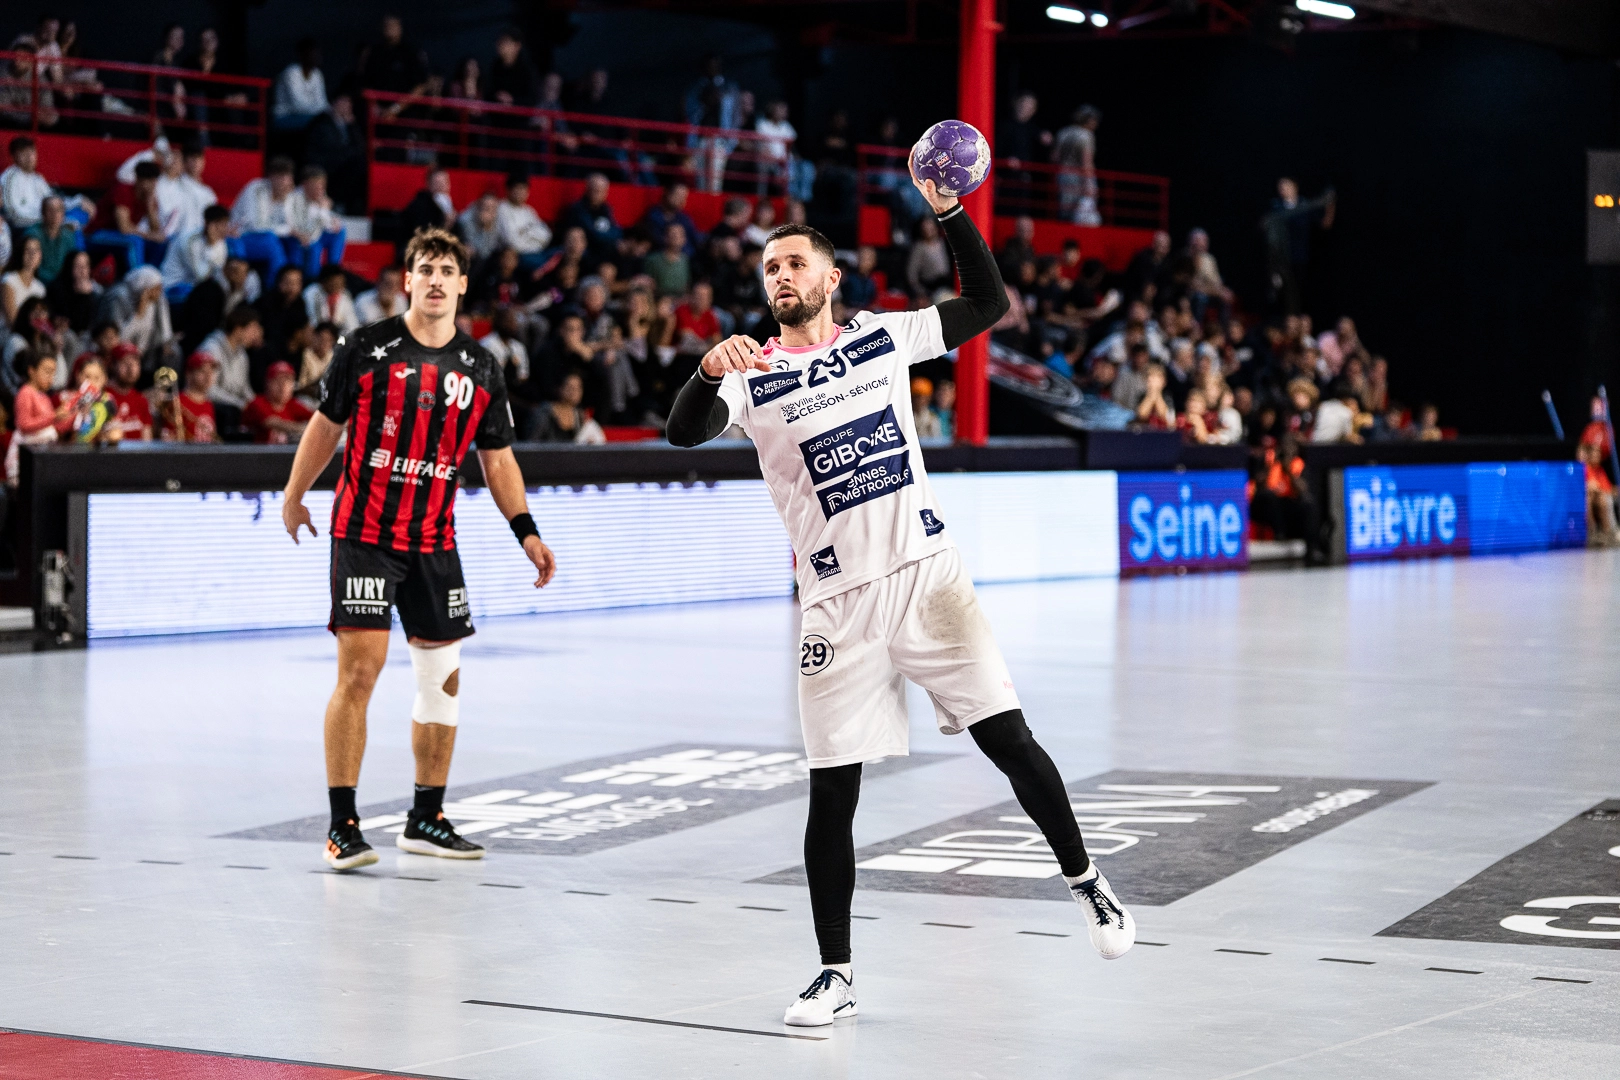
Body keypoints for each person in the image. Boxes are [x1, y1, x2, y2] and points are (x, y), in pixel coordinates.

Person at [664, 164, 1134, 1028]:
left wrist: (950, 212)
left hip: (928, 579)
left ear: (831, 278)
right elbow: (680, 431)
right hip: (835, 605)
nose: (781, 278)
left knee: (1010, 741)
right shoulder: (750, 370)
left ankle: (1086, 881)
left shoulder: (880, 336)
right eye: (770, 268)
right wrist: (701, 372)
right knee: (831, 792)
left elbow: (988, 306)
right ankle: (835, 973)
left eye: (796, 264)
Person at [279, 226, 557, 872]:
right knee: (360, 673)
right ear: (407, 280)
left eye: (446, 271)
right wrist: (294, 495)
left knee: (442, 680)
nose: (434, 280)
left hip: (435, 539)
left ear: (463, 285)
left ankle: (425, 817)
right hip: (366, 534)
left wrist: (528, 533)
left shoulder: (482, 367)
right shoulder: (365, 347)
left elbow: (499, 461)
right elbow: (325, 429)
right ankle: (342, 825)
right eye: (424, 269)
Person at [5, 348, 67, 486]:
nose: (50, 377)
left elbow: (54, 427)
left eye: (53, 373)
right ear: (31, 370)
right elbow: (23, 424)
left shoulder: (44, 396)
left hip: (41, 456)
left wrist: (73, 414)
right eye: (47, 371)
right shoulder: (25, 393)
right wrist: (55, 416)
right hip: (25, 458)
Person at [197, 304, 264, 409]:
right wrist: (239, 404)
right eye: (252, 329)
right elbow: (208, 390)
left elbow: (244, 389)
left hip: (233, 406)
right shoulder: (211, 349)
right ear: (238, 329)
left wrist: (257, 406)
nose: (256, 335)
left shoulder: (242, 354)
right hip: (213, 407)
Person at [160, 204, 232, 295]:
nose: (223, 230)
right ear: (207, 224)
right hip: (173, 286)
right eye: (218, 225)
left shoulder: (221, 244)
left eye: (225, 225)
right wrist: (211, 245)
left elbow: (218, 274)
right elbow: (201, 276)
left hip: (194, 286)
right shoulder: (188, 241)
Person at [1577, 395, 1619, 546]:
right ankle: (1593, 533)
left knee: (1605, 499)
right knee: (1596, 499)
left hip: (1601, 495)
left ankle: (1611, 533)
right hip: (1589, 496)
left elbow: (1606, 487)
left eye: (1598, 453)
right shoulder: (1584, 469)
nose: (1596, 456)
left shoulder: (1600, 470)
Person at [241, 360, 313, 443]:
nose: (283, 386)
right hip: (254, 454)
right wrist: (303, 429)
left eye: (288, 381)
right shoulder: (257, 402)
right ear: (268, 383)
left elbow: (316, 418)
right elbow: (272, 423)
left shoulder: (292, 404)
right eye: (278, 380)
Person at [1053, 105, 1101, 225]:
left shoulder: (1063, 132)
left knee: (1064, 212)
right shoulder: (1086, 135)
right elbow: (1086, 162)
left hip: (1063, 176)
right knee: (1078, 213)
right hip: (1078, 180)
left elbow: (1054, 157)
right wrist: (1089, 183)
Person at [160, 352, 222, 443]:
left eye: (211, 371)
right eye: (202, 371)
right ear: (189, 374)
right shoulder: (178, 402)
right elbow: (168, 438)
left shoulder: (208, 404)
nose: (208, 376)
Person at [531, 369, 605, 444]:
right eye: (569, 387)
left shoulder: (580, 416)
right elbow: (531, 444)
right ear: (559, 388)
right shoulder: (544, 413)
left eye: (578, 388)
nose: (574, 391)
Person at [494, 175, 552, 267]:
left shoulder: (529, 211)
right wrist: (531, 234)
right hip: (516, 256)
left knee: (558, 253)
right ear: (508, 190)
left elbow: (546, 236)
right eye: (518, 189)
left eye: (524, 189)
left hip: (536, 252)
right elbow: (512, 243)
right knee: (545, 264)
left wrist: (524, 233)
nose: (521, 192)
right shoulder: (502, 209)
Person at [273, 37, 327, 131]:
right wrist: (322, 114)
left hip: (311, 116)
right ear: (302, 54)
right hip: (286, 116)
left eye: (318, 53)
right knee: (321, 123)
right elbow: (297, 104)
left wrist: (333, 112)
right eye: (313, 53)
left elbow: (322, 101)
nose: (317, 56)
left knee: (337, 120)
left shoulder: (317, 74)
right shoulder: (291, 73)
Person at [23, 195, 78, 285]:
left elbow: (72, 263)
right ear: (43, 213)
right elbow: (32, 267)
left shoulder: (68, 235)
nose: (55, 214)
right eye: (50, 210)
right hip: (37, 282)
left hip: (62, 283)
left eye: (58, 210)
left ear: (63, 213)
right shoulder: (32, 235)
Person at [2, 136, 54, 230]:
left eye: (32, 152)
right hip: (25, 227)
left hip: (43, 222)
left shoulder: (38, 178)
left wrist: (78, 201)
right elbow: (13, 215)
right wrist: (45, 220)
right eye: (24, 153)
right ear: (14, 157)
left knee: (77, 216)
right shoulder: (9, 177)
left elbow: (52, 202)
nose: (30, 157)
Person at [103, 343, 153, 441]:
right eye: (124, 362)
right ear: (113, 365)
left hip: (137, 455)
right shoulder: (102, 396)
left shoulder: (141, 400)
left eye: (135, 362)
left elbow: (147, 440)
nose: (131, 368)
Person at [3, 234, 47, 330]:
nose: (32, 255)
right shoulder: (8, 281)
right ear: (20, 253)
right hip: (10, 334)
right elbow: (12, 321)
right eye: (28, 250)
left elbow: (41, 321)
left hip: (30, 335)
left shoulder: (40, 288)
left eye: (35, 251)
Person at [303, 263, 359, 335]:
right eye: (335, 283)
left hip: (337, 337)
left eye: (341, 284)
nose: (339, 287)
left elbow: (352, 323)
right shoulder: (311, 293)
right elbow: (314, 321)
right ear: (323, 282)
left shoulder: (345, 295)